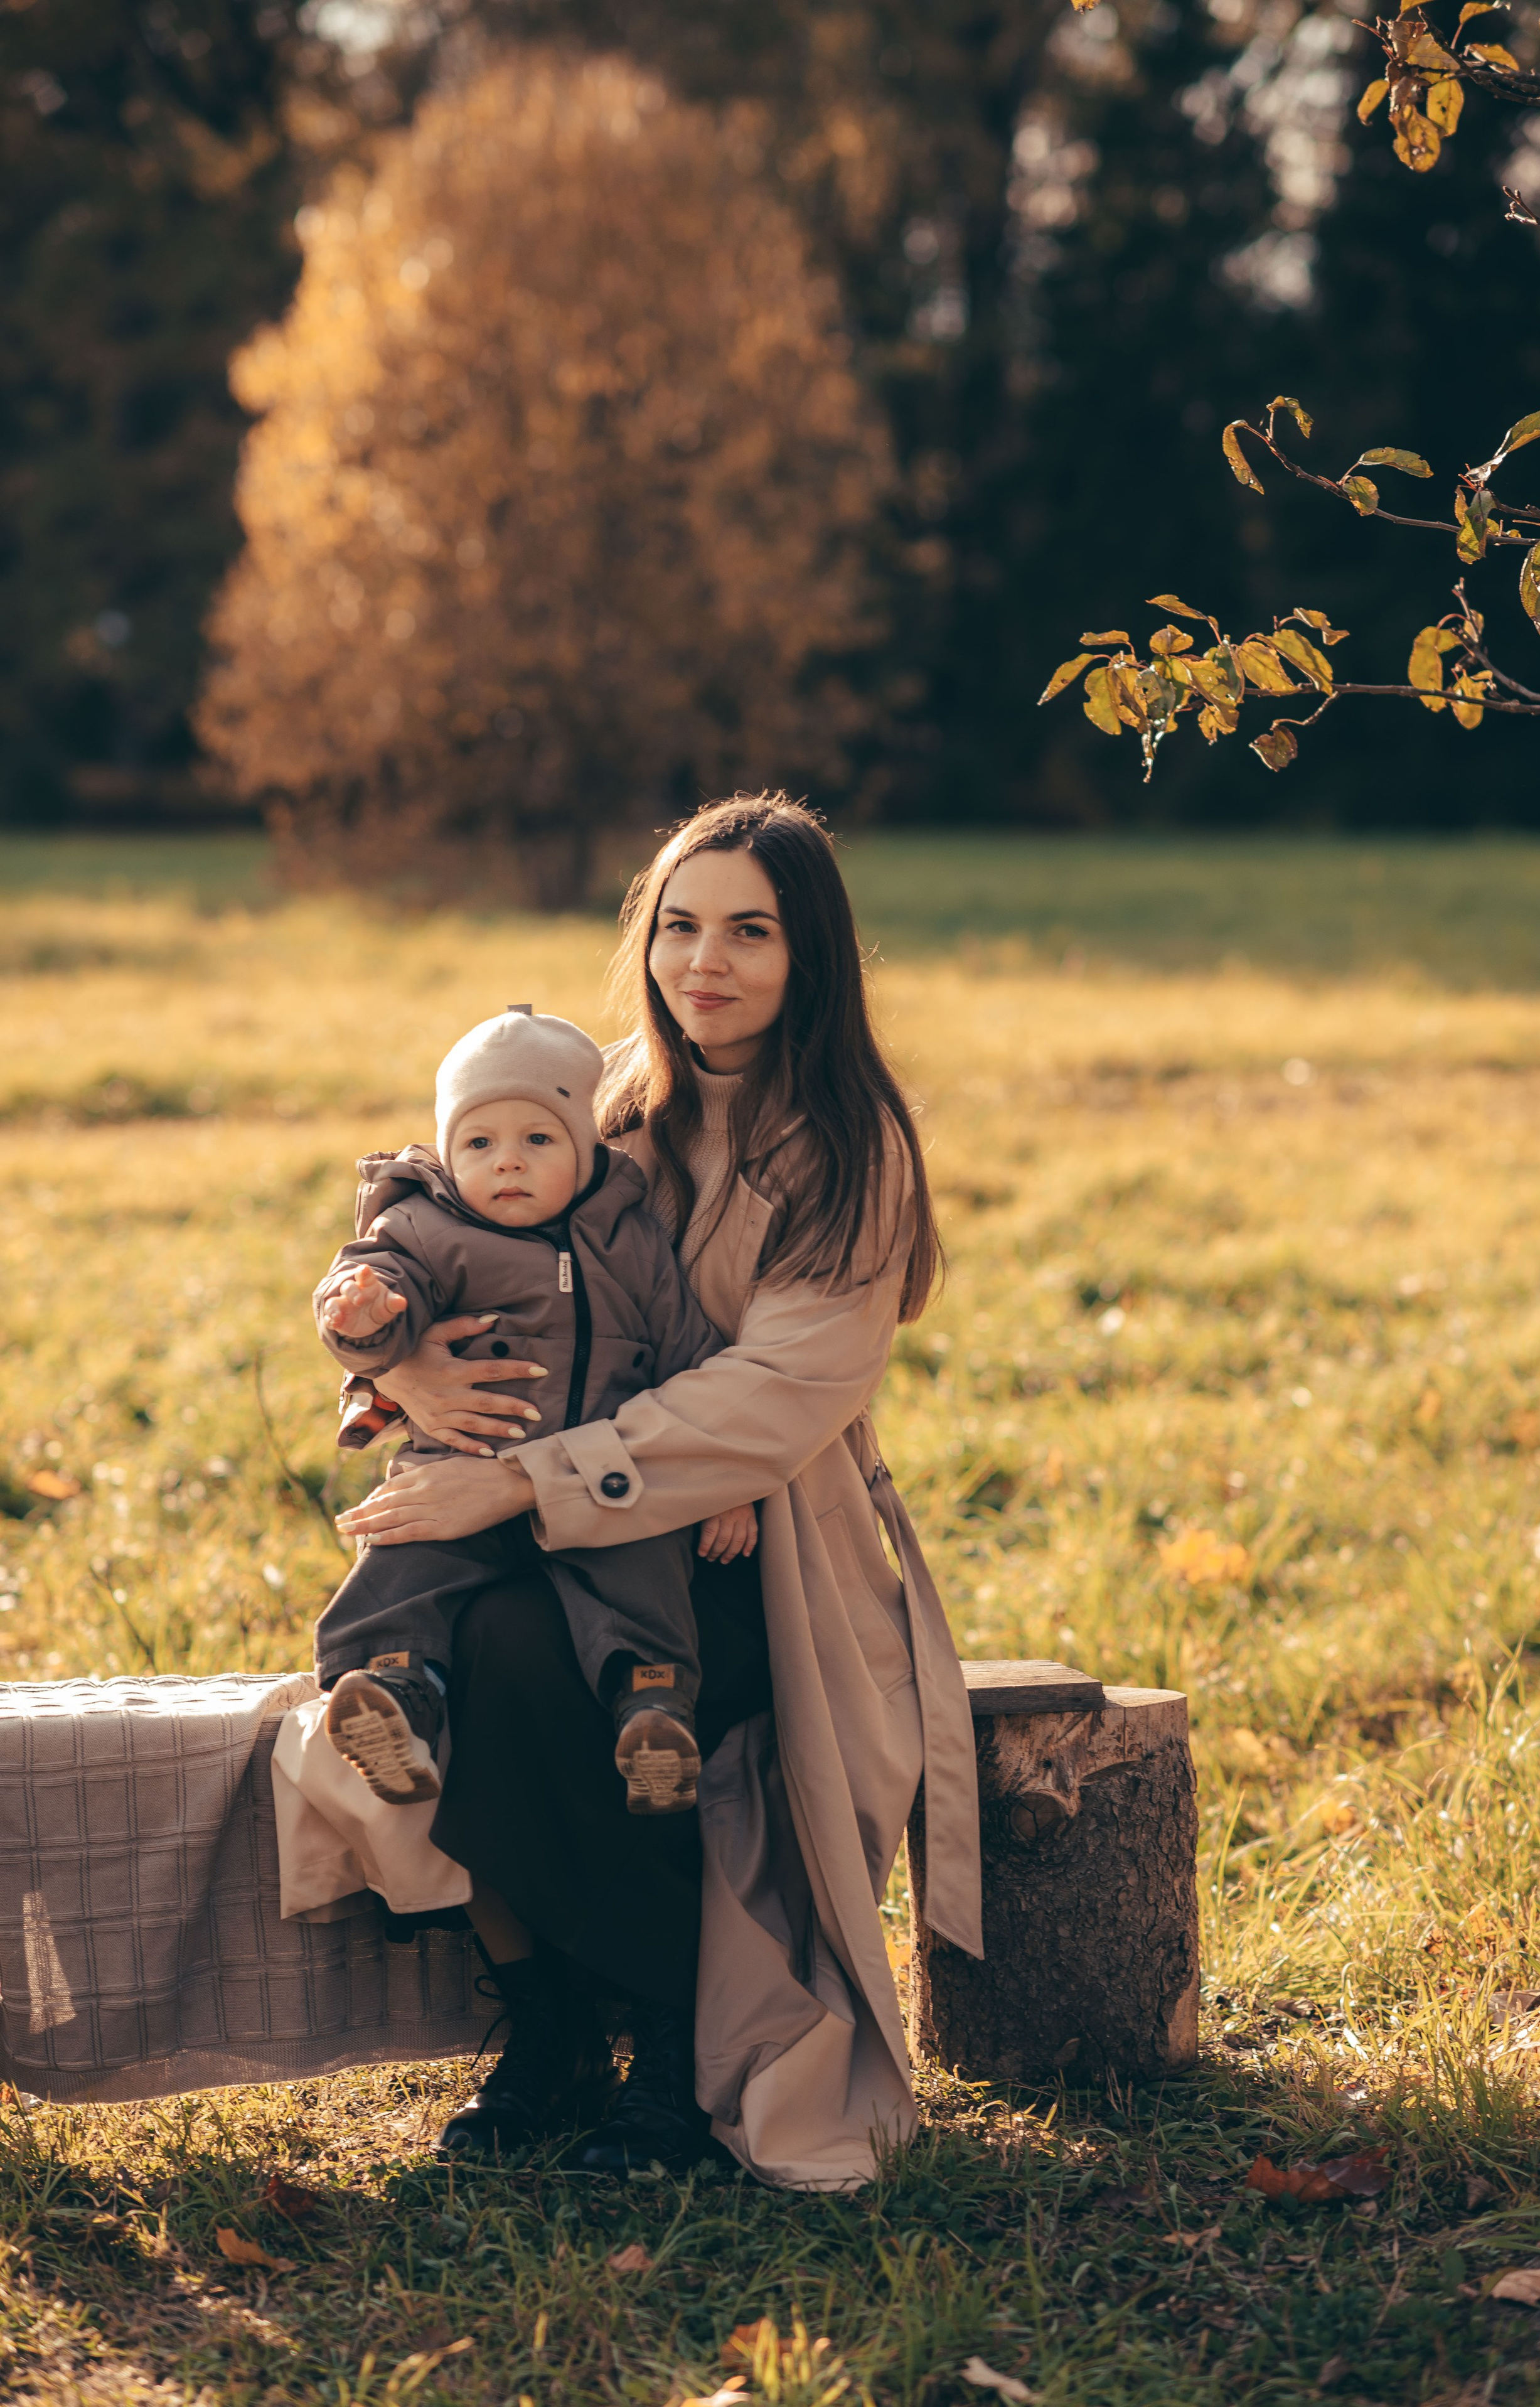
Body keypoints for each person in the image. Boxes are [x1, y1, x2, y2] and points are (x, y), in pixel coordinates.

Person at [333, 793, 982, 2189]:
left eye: (751, 932)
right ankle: (552, 2030)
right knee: (471, 1643)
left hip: (756, 1545)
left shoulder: (851, 1146)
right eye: (680, 927)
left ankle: (676, 2057)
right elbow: (444, 1229)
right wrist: (402, 1373)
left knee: (564, 1663)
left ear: (810, 953)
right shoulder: (604, 1102)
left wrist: (515, 1483)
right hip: (551, 1511)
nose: (707, 963)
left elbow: (778, 1390)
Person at [312, 1005, 749, 1819]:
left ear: (587, 1149)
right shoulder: (426, 1229)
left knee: (644, 1573)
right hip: (459, 1473)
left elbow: (691, 1355)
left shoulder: (629, 1239)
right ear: (448, 1153)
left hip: (597, 1477)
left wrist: (724, 1482)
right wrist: (363, 1316)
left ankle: (653, 1716)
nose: (507, 1162)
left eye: (538, 1139)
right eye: (479, 1143)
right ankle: (392, 1697)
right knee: (406, 1562)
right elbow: (378, 1294)